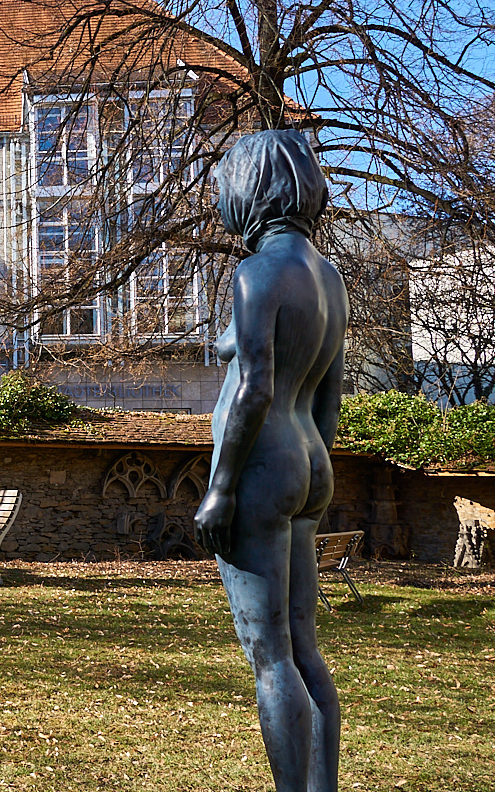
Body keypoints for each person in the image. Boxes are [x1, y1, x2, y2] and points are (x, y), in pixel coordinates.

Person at [194, 129, 348, 792]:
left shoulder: (256, 273)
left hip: (263, 467)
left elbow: (254, 385)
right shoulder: (329, 277)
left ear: (253, 186)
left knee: (271, 657)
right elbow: (330, 399)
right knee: (306, 650)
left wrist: (220, 489)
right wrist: (313, 473)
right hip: (309, 461)